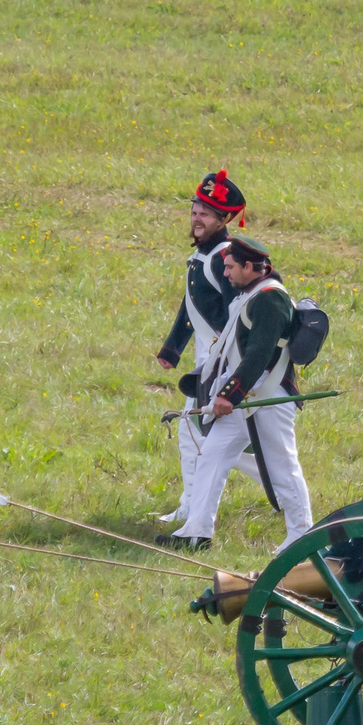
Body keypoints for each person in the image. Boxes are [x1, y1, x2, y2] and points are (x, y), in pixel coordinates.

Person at [168, 233, 315, 548]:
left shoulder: (271, 299)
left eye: (231, 267)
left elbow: (259, 355)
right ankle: (196, 532)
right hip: (246, 394)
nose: (225, 273)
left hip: (269, 396)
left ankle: (301, 536)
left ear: (250, 267)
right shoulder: (252, 294)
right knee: (211, 455)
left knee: (282, 467)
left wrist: (228, 396)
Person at [153, 170, 245, 539]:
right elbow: (191, 304)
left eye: (205, 213)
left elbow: (236, 313)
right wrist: (172, 348)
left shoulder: (224, 257)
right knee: (196, 434)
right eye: (195, 210)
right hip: (208, 357)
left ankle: (193, 509)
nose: (197, 218)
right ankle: (190, 505)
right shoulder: (204, 254)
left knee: (196, 433)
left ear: (223, 220)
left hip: (221, 361)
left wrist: (227, 362)